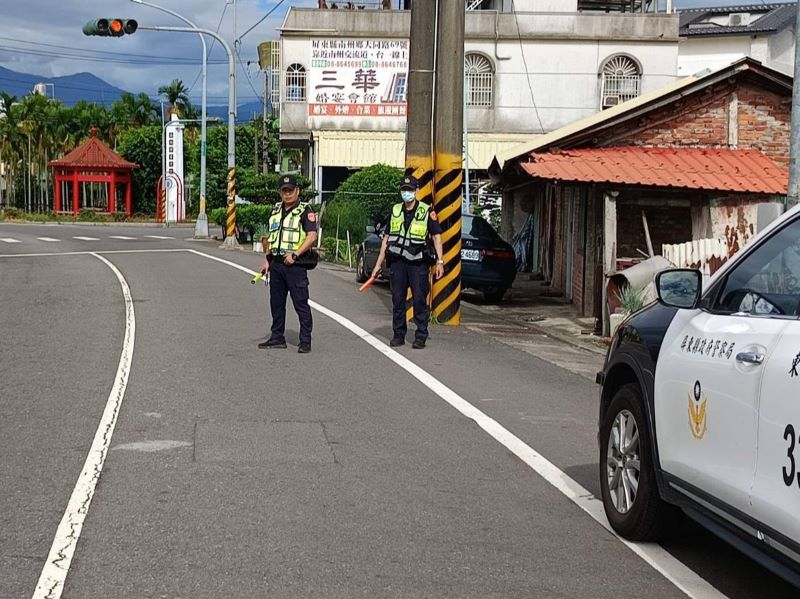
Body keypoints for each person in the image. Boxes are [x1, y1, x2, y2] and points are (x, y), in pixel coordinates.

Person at [371, 175, 444, 349]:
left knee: (419, 300)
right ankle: (398, 334)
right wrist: (378, 264)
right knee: (397, 300)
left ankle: (420, 335)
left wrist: (440, 261)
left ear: (417, 190)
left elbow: (436, 237)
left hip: (418, 263)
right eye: (404, 190)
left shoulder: (426, 211)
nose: (407, 193)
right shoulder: (395, 210)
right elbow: (386, 239)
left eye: (410, 190)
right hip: (397, 263)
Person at [258, 174, 318, 353]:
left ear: (297, 191)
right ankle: (277, 337)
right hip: (276, 264)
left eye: (290, 190)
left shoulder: (305, 210)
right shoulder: (276, 210)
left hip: (295, 265)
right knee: (276, 303)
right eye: (284, 191)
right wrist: (267, 259)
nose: (287, 194)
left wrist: (296, 254)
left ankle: (305, 340)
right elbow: (271, 237)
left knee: (300, 303)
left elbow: (312, 236)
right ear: (280, 193)